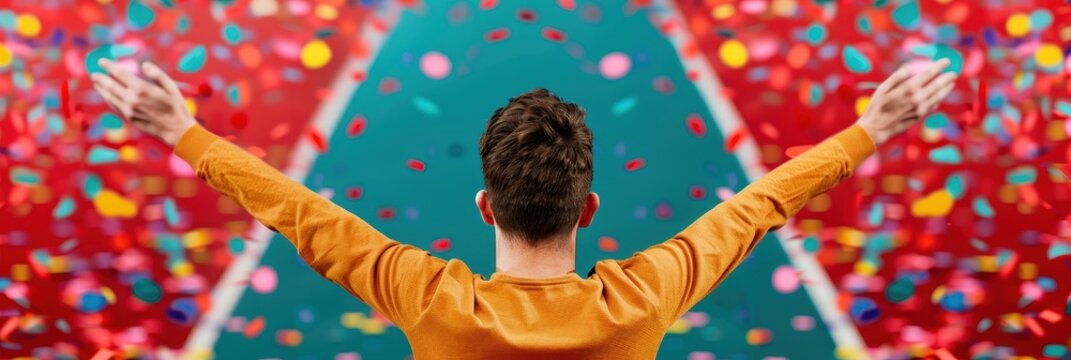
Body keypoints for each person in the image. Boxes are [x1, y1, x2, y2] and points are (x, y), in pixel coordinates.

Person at [91, 58, 956, 359]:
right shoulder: (647, 295)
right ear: (589, 210)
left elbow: (297, 212)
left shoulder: (428, 299)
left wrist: (184, 130)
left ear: (481, 204)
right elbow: (763, 203)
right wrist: (870, 127)